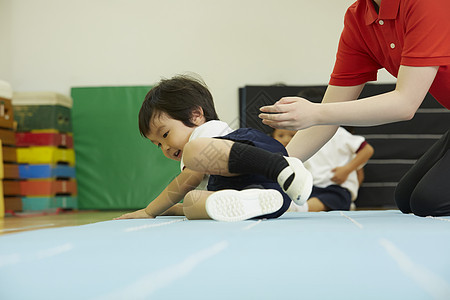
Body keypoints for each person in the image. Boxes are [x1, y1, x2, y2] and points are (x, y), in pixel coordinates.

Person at [259, 0, 450, 217]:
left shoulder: (427, 4)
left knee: (429, 201)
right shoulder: (359, 18)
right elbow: (326, 119)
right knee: (406, 199)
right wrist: (269, 170)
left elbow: (405, 103)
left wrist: (314, 112)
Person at [115, 75, 312, 222]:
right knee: (193, 201)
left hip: (259, 161)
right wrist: (176, 209)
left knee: (194, 154)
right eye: (158, 144)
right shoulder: (195, 154)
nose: (165, 147)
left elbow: (189, 179)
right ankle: (252, 200)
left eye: (165, 135)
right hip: (270, 196)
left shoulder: (206, 132)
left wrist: (151, 210)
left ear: (195, 115)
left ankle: (279, 167)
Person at [273, 127, 374, 212]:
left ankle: (299, 209)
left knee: (330, 199)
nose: (286, 139)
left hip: (336, 187)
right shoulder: (304, 138)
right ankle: (292, 206)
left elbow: (367, 150)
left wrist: (347, 170)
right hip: (311, 187)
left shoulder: (338, 133)